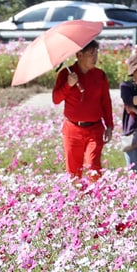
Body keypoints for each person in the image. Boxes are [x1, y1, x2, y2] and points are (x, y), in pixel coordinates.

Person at [52, 39, 113, 181]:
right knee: (73, 171)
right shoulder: (65, 74)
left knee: (93, 166)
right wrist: (68, 84)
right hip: (73, 129)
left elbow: (105, 102)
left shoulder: (100, 75)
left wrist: (109, 125)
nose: (95, 58)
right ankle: (77, 200)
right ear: (79, 55)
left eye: (96, 53)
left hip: (95, 128)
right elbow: (56, 99)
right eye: (91, 54)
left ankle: (96, 199)